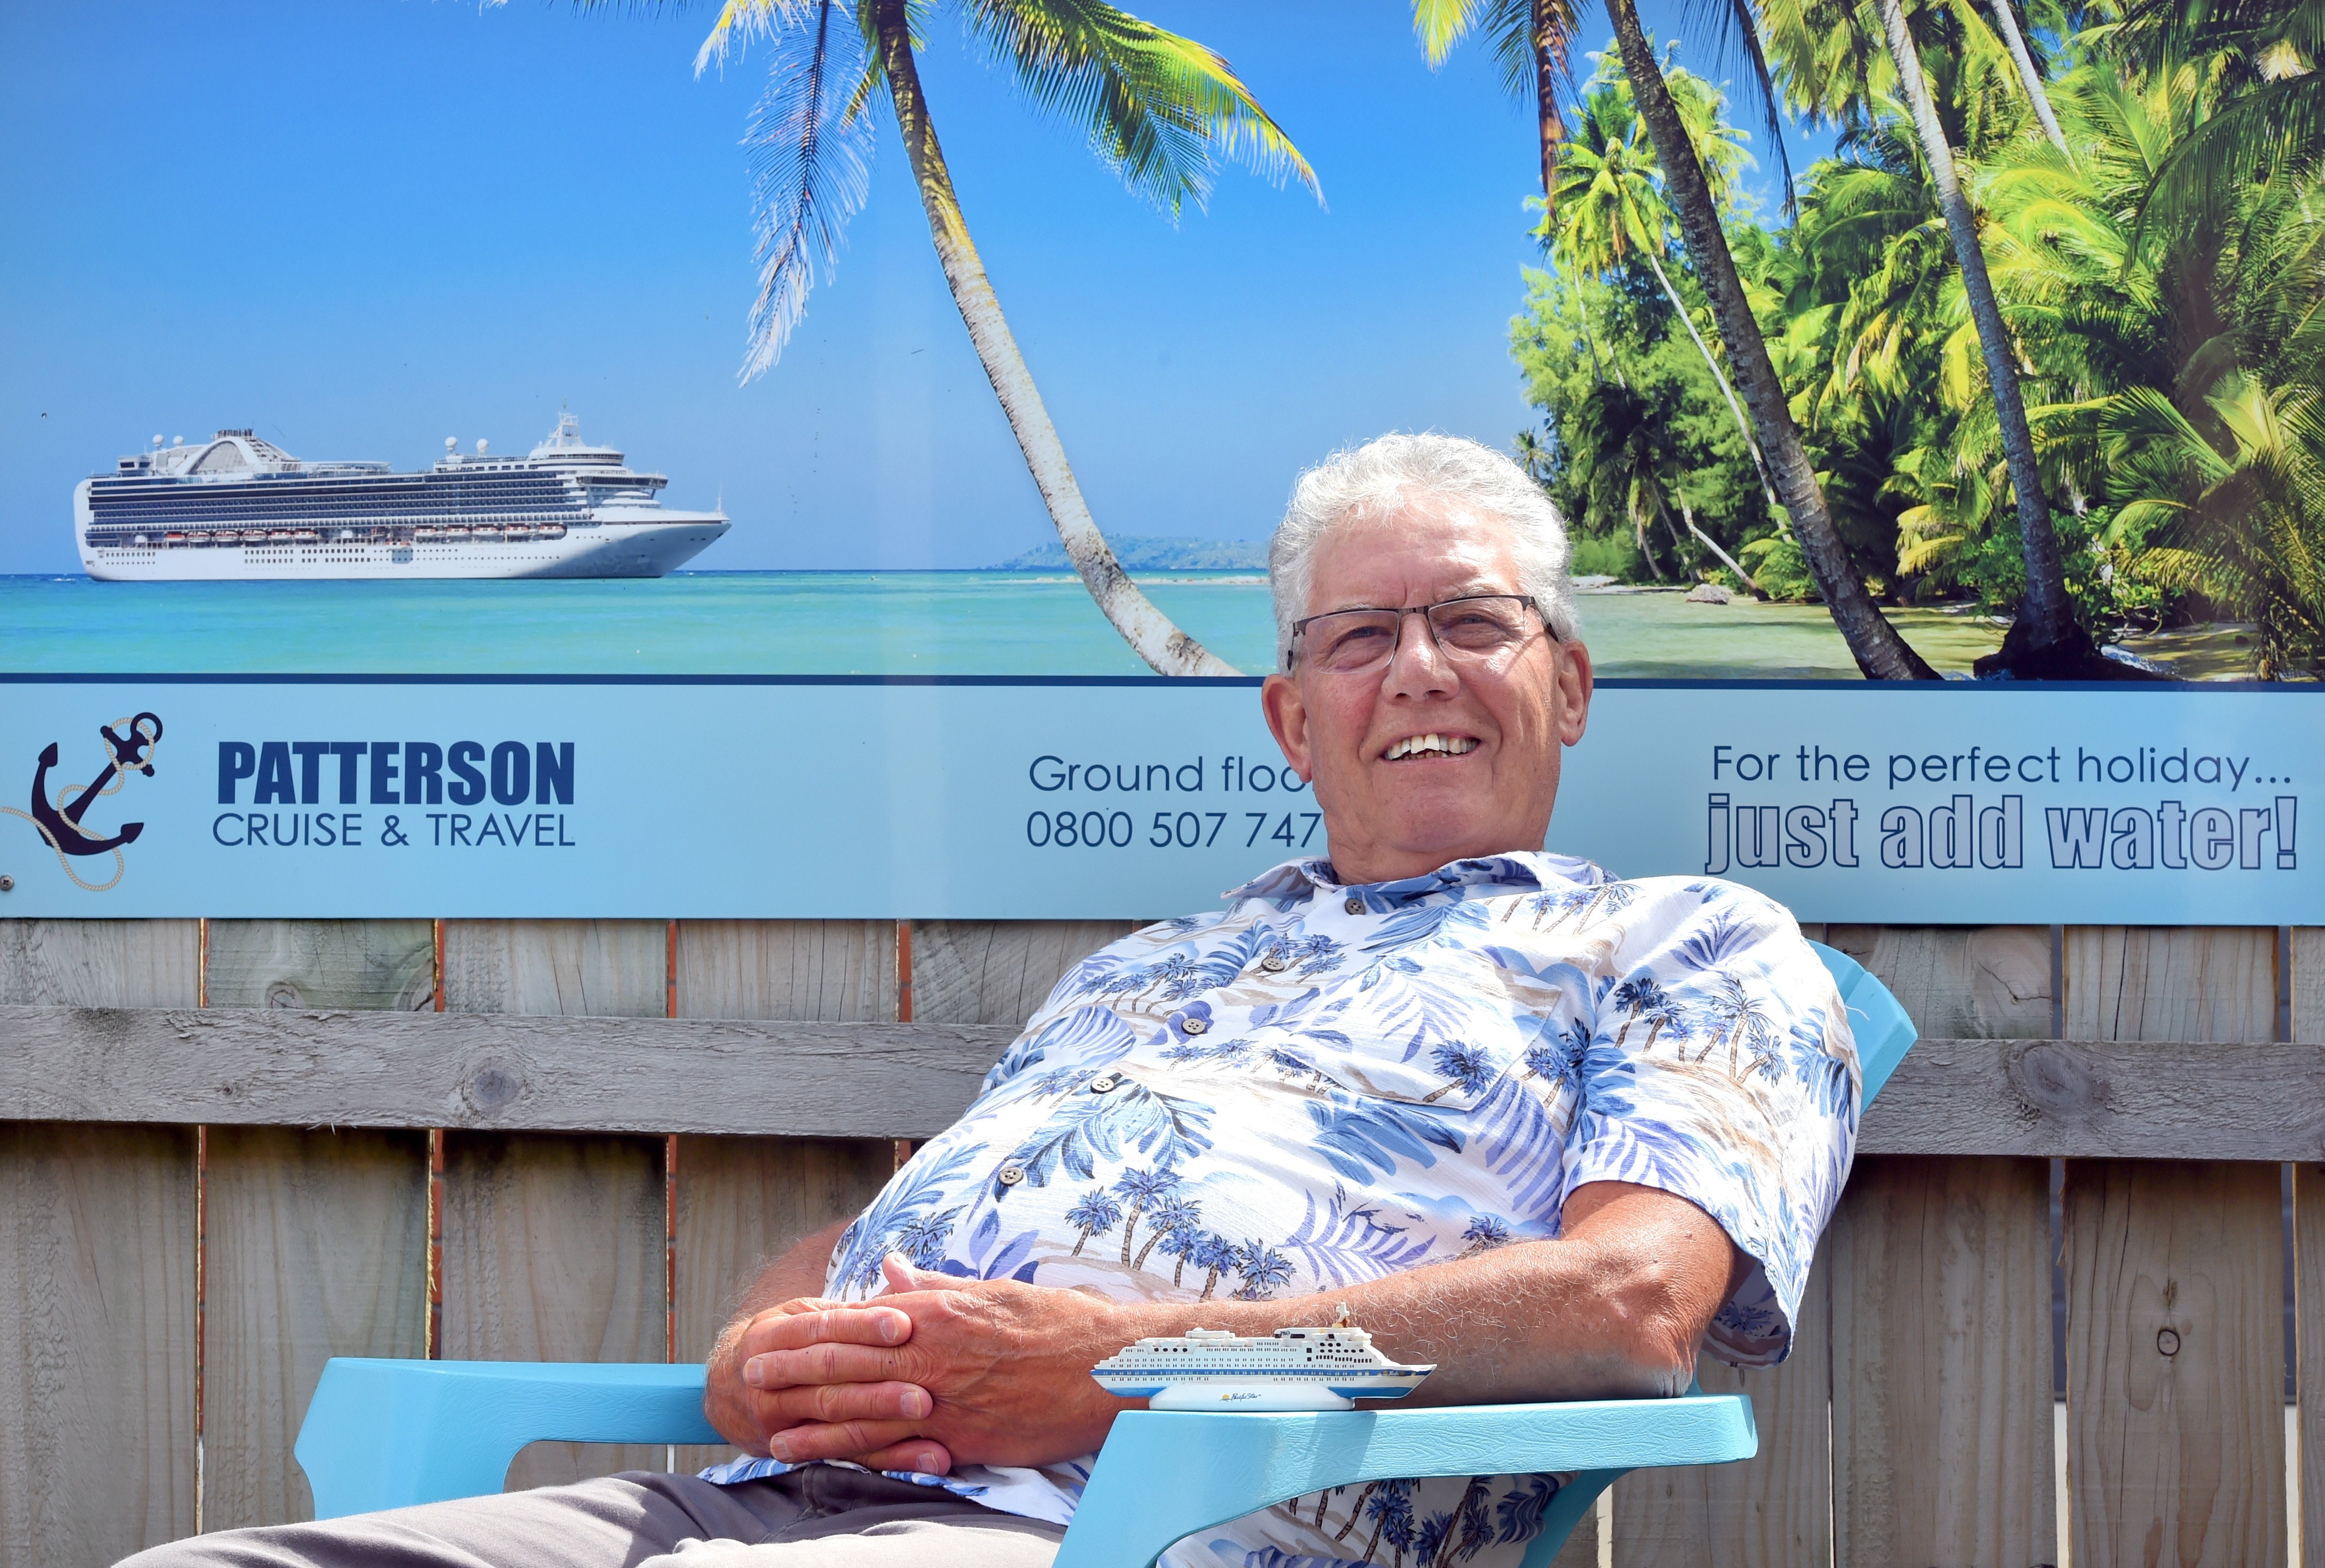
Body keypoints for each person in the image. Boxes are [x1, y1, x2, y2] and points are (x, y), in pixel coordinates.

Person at [123, 432, 1858, 1568]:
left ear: (1564, 681)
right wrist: (760, 1355)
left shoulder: (1690, 943)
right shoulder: (1149, 968)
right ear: (1290, 718)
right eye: (1356, 638)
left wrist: (1127, 1370)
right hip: (772, 1501)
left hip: (1147, 1525)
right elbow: (888, 1230)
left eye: (1471, 622)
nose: (1415, 667)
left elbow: (1629, 1306)